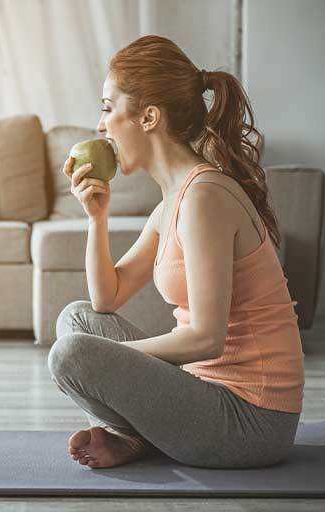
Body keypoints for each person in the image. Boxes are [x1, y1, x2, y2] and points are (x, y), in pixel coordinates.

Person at [48, 35, 304, 469]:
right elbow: (105, 300)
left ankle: (134, 433)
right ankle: (137, 435)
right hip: (204, 392)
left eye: (109, 108)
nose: (100, 125)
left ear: (148, 117)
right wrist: (97, 217)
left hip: (252, 421)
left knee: (72, 352)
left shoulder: (205, 197)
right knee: (77, 319)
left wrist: (110, 364)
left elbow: (207, 337)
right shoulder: (172, 203)